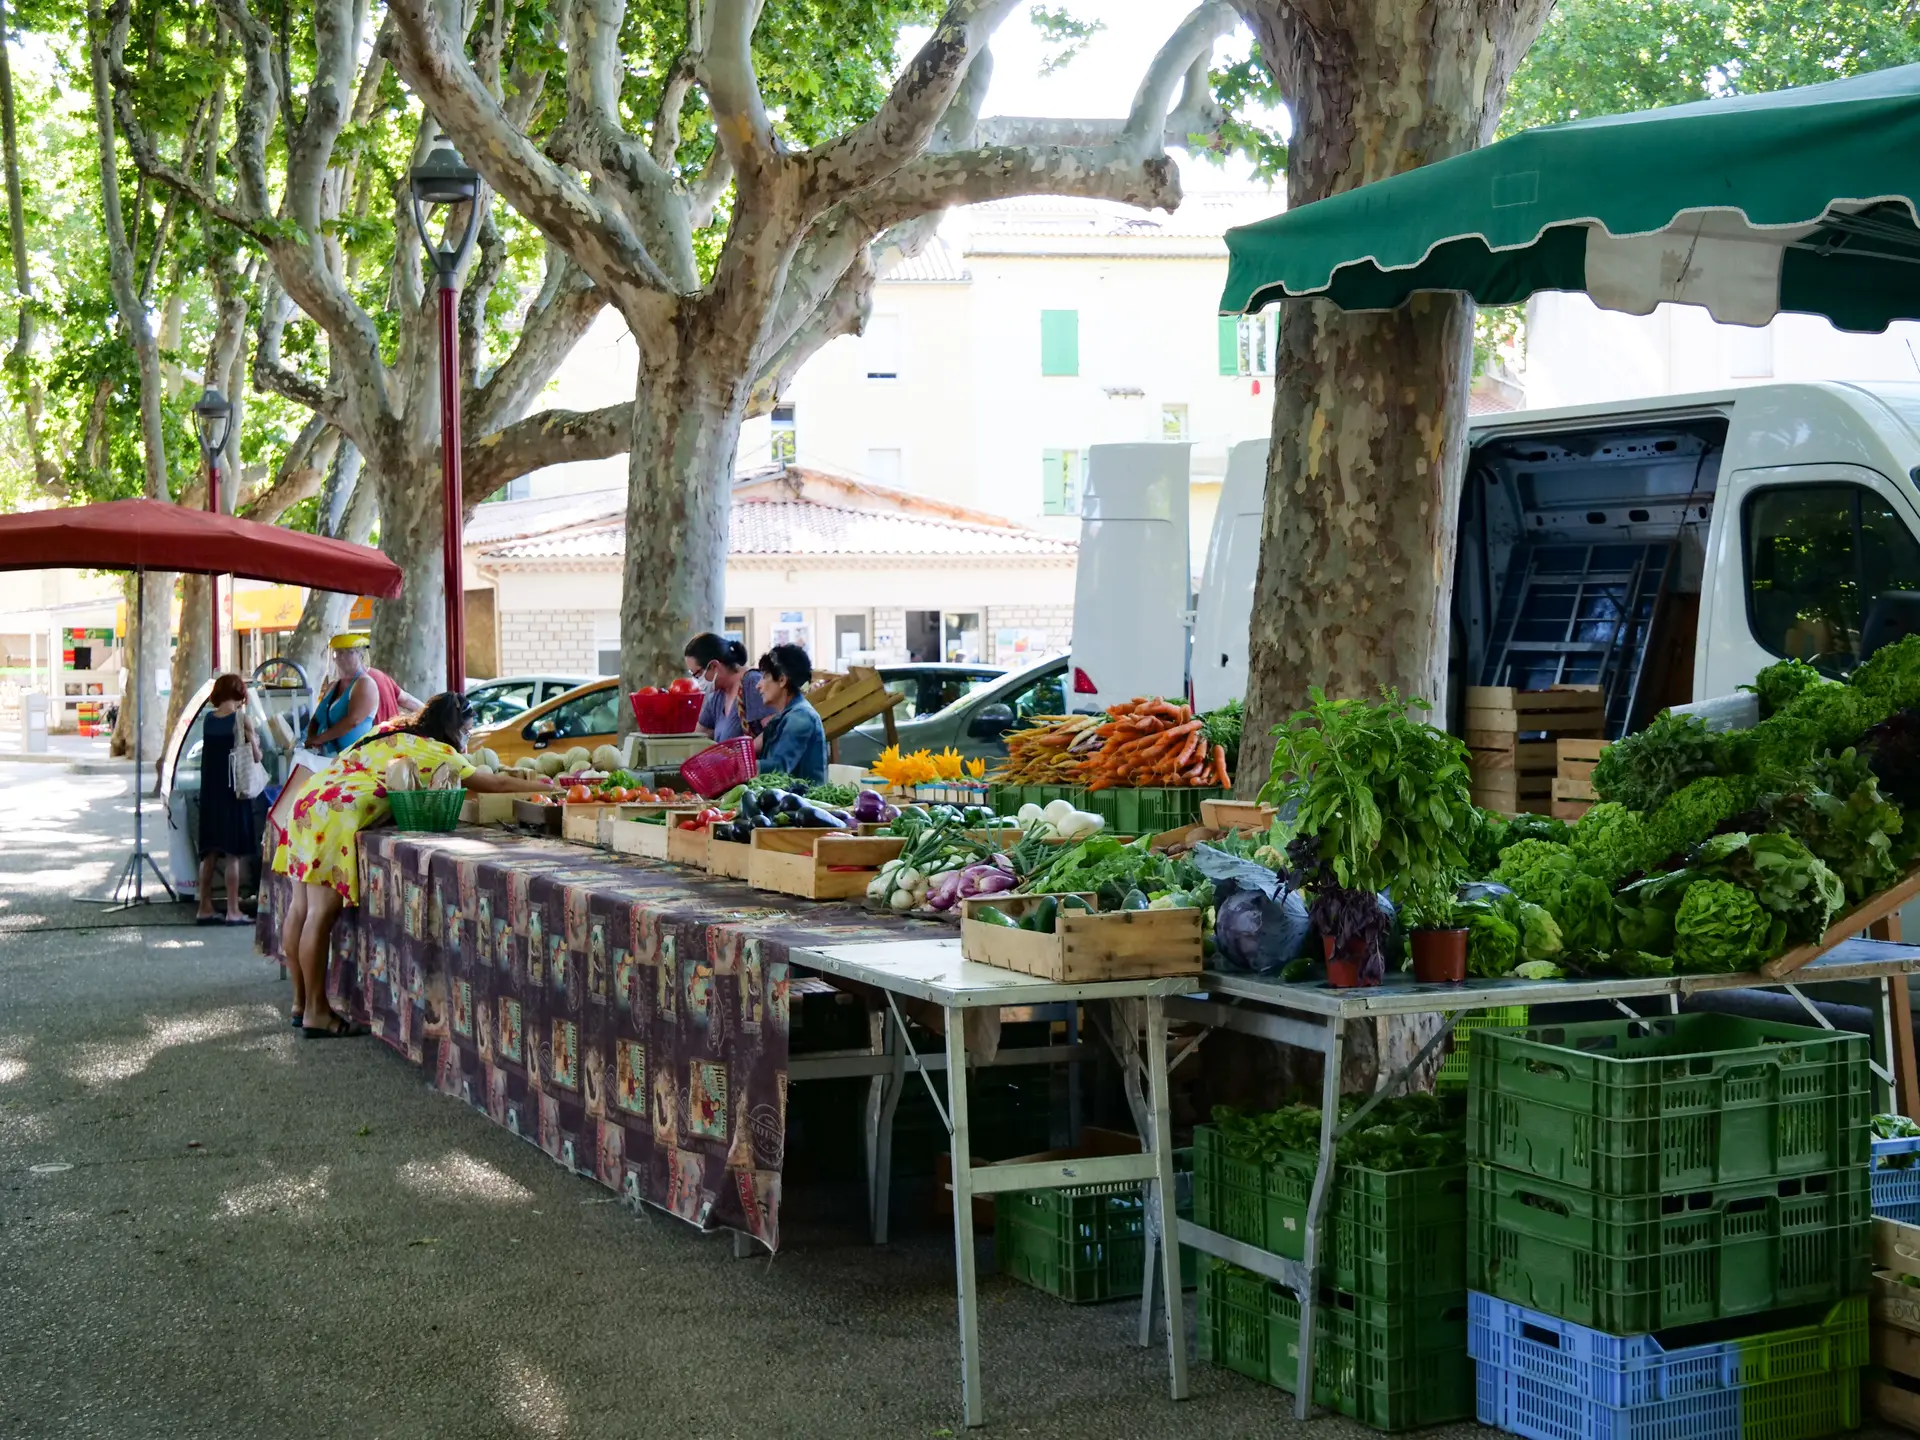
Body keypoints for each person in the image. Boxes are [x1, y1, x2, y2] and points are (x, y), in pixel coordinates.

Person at [274, 692, 555, 1037]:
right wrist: (543, 787)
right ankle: (317, 1013)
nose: (467, 740)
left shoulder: (391, 731)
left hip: (308, 800)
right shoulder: (438, 752)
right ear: (453, 730)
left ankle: (300, 1003)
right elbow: (491, 784)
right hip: (336, 815)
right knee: (319, 914)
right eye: (466, 732)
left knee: (300, 908)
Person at [196, 673, 261, 926]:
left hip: (210, 794)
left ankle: (204, 907)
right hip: (234, 792)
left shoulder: (207, 720)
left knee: (210, 854)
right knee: (232, 854)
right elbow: (256, 757)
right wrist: (254, 738)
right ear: (240, 693)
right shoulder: (241, 718)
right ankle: (233, 910)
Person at [754, 643, 827, 784]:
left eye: (764, 676)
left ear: (782, 680)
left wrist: (741, 768)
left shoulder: (801, 717)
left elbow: (779, 768)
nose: (758, 685)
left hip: (801, 803)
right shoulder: (787, 715)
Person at [684, 632, 769, 742]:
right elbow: (699, 736)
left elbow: (772, 733)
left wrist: (744, 751)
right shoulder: (718, 696)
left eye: (697, 674)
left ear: (714, 666)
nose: (697, 680)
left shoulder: (753, 683)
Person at [306, 634, 379, 755]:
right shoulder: (333, 686)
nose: (342, 657)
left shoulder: (365, 684)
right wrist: (311, 741)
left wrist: (319, 739)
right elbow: (316, 719)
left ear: (361, 655)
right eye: (338, 653)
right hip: (326, 758)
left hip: (354, 760)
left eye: (349, 652)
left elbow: (353, 720)